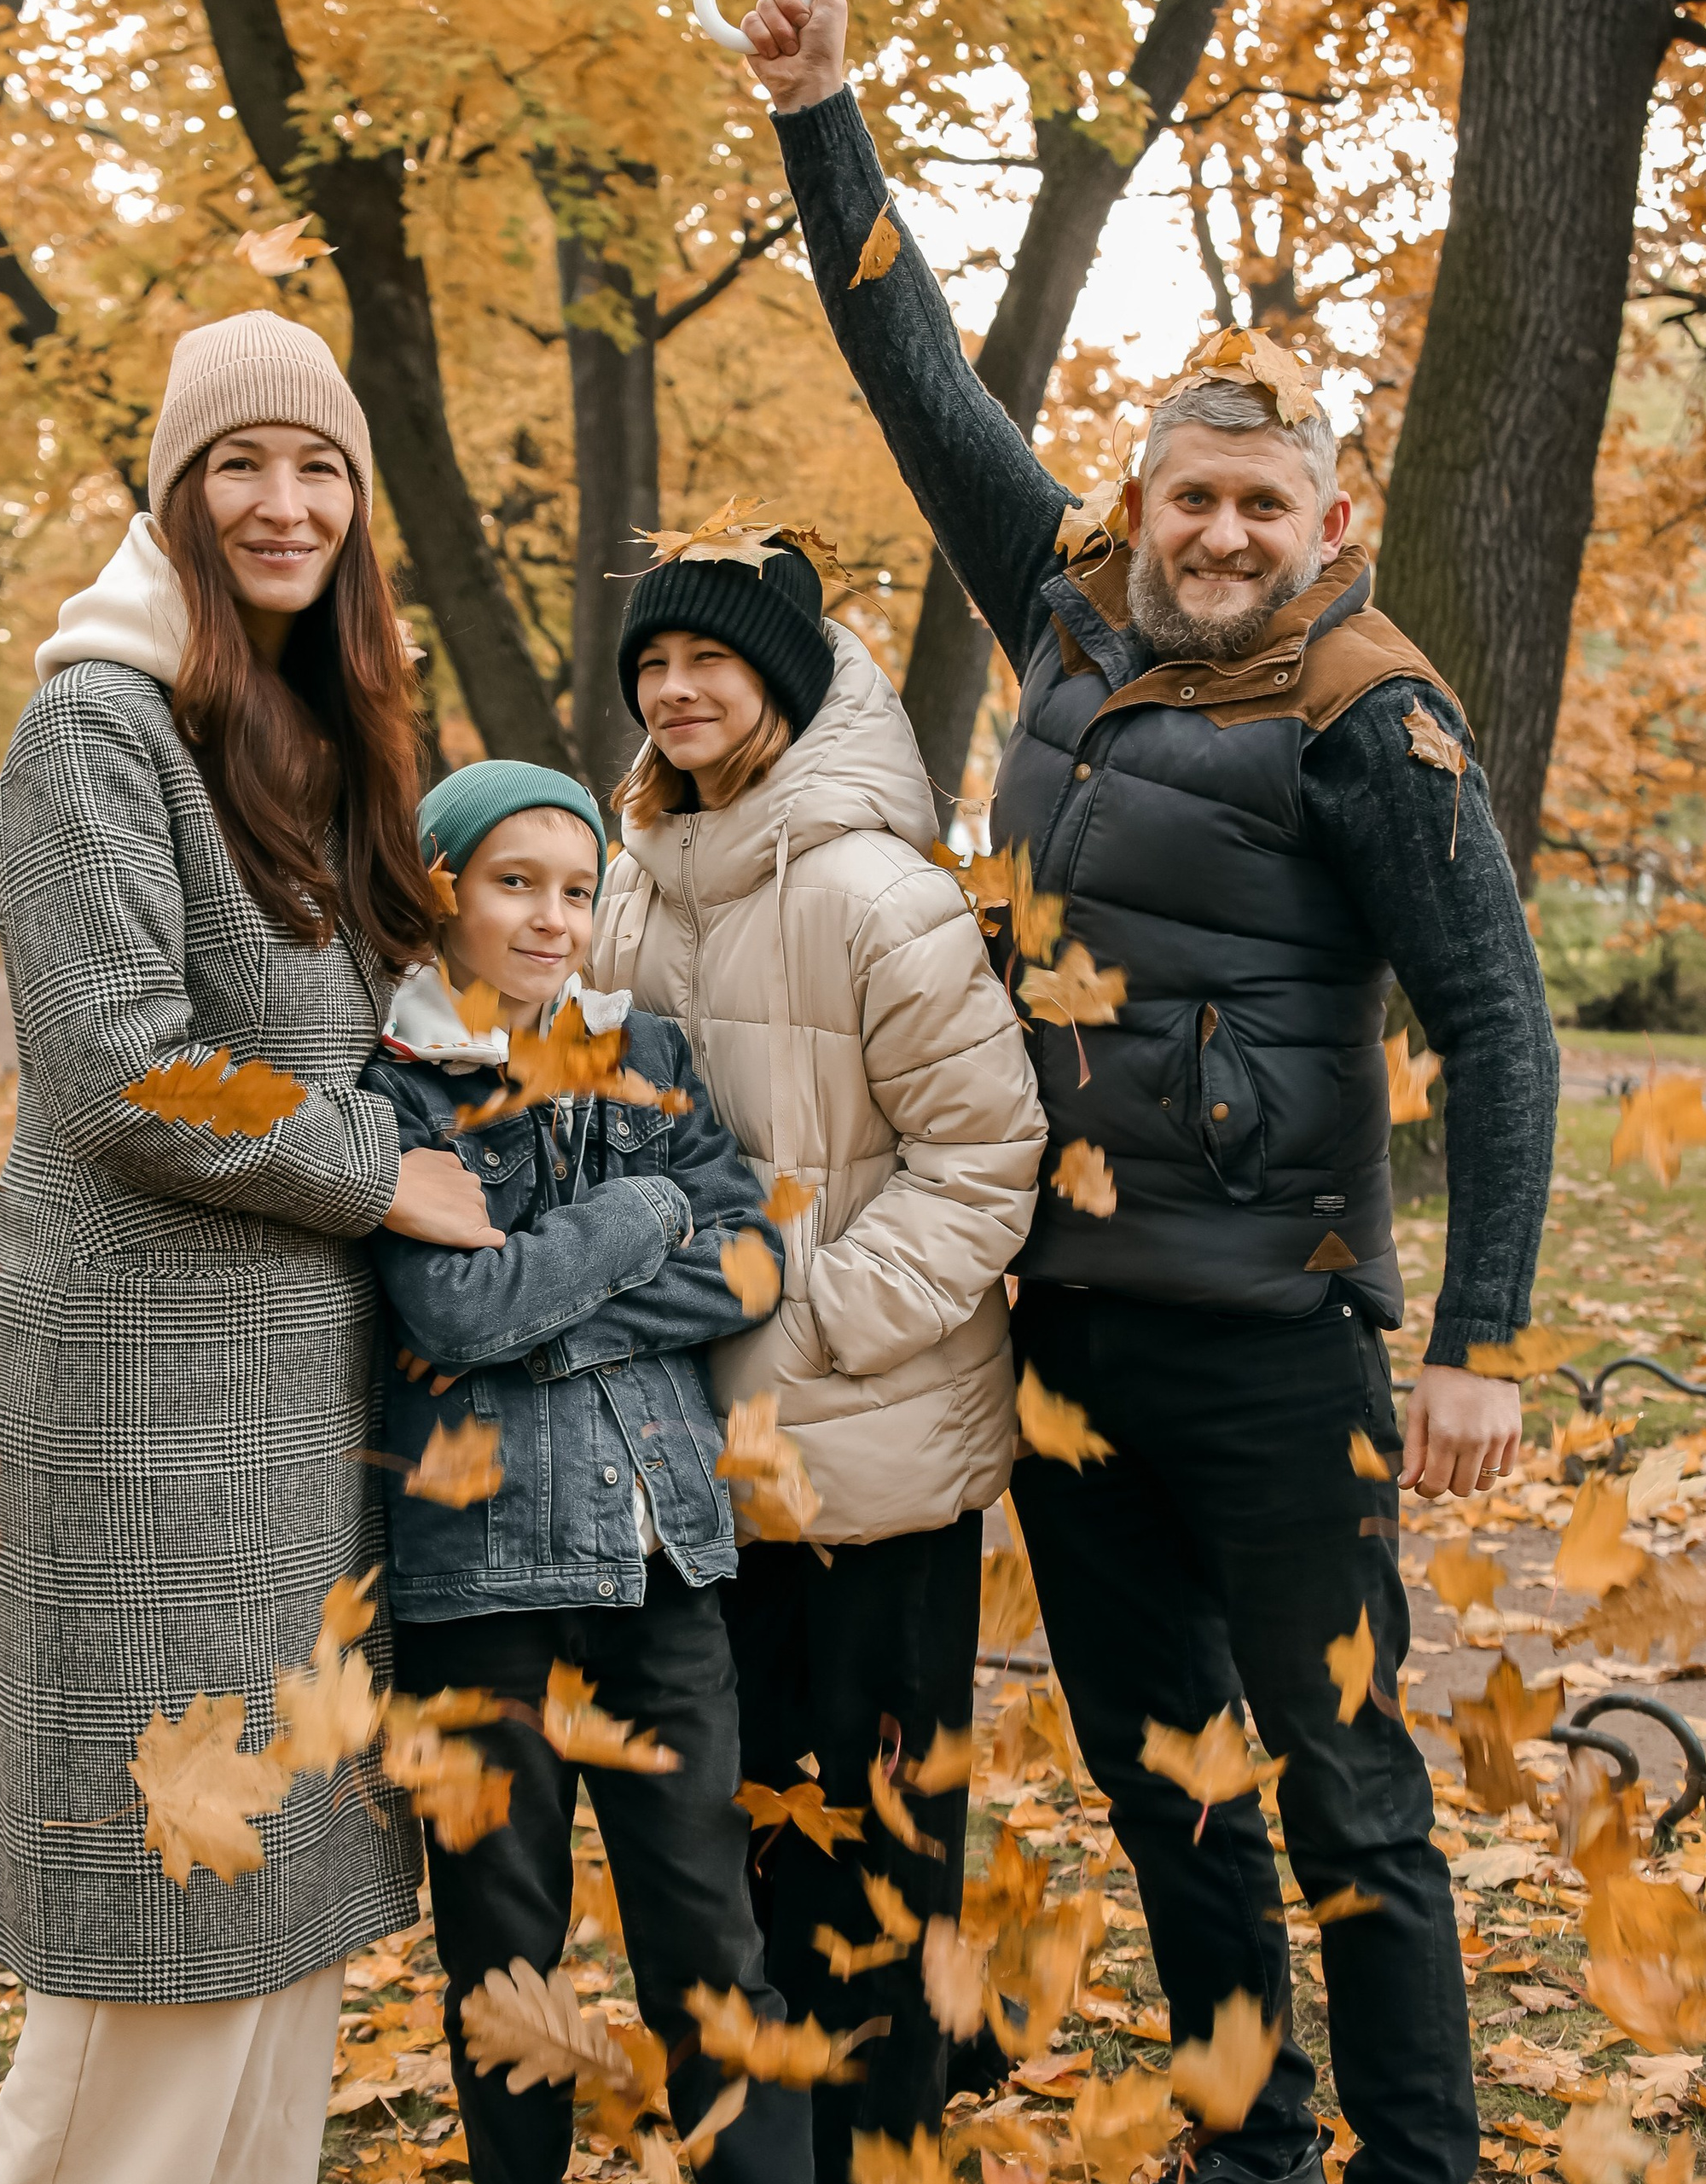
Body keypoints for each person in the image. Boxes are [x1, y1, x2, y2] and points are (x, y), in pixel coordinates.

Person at [736, 9, 1561, 2184]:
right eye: (1186, 493)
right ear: (1141, 498)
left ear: (1325, 521)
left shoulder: (1370, 715)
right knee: (1165, 1781)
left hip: (1280, 1347)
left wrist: (1477, 1337)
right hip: (1073, 1338)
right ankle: (1244, 2141)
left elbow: (1498, 1021)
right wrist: (825, 119)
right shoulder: (1066, 611)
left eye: (1257, 505)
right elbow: (919, 383)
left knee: (1344, 1779)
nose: (1215, 532)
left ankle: (1416, 2156)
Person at [0, 310, 501, 2184]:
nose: (284, 502)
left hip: (291, 1384)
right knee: (160, 1902)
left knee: (265, 1883)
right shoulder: (95, 719)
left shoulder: (289, 716)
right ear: (178, 492)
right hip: (143, 1389)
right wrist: (381, 1175)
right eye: (240, 465)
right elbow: (122, 1065)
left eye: (320, 468)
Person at [589, 530, 1046, 2179]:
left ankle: (885, 2141)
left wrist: (807, 1320)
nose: (676, 689)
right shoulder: (634, 880)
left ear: (783, 682)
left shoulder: (875, 892)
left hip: (870, 1451)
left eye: (710, 661)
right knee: (741, 1839)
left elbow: (987, 1164)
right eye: (653, 665)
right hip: (689, 1459)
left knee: (878, 1846)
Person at [362, 759, 813, 2184]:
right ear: (442, 895)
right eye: (514, 885)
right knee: (505, 1955)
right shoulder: (393, 1086)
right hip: (478, 1581)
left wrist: (539, 1320)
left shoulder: (653, 1055)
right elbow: (448, 1313)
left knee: (713, 1941)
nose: (553, 919)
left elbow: (750, 1262)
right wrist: (646, 1205)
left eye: (577, 888)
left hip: (663, 1558)